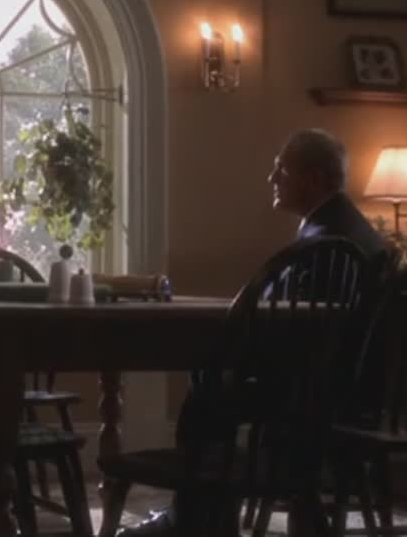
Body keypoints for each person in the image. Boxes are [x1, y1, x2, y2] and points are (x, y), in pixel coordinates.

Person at [119, 128, 385, 537]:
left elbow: (295, 330)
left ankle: (195, 519)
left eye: (282, 170)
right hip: (345, 388)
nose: (271, 178)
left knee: (208, 388)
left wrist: (234, 355)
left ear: (314, 178)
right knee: (214, 379)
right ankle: (206, 516)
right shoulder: (355, 232)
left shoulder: (327, 240)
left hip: (311, 391)